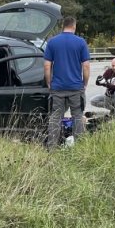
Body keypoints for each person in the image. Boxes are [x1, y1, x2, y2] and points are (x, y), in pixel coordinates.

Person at [43, 16, 91, 149]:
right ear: (74, 26)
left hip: (57, 88)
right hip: (76, 87)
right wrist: (84, 83)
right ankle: (80, 148)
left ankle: (52, 148)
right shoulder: (81, 42)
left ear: (63, 26)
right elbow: (86, 66)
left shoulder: (52, 42)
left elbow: (47, 66)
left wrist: (49, 82)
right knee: (77, 117)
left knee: (55, 117)